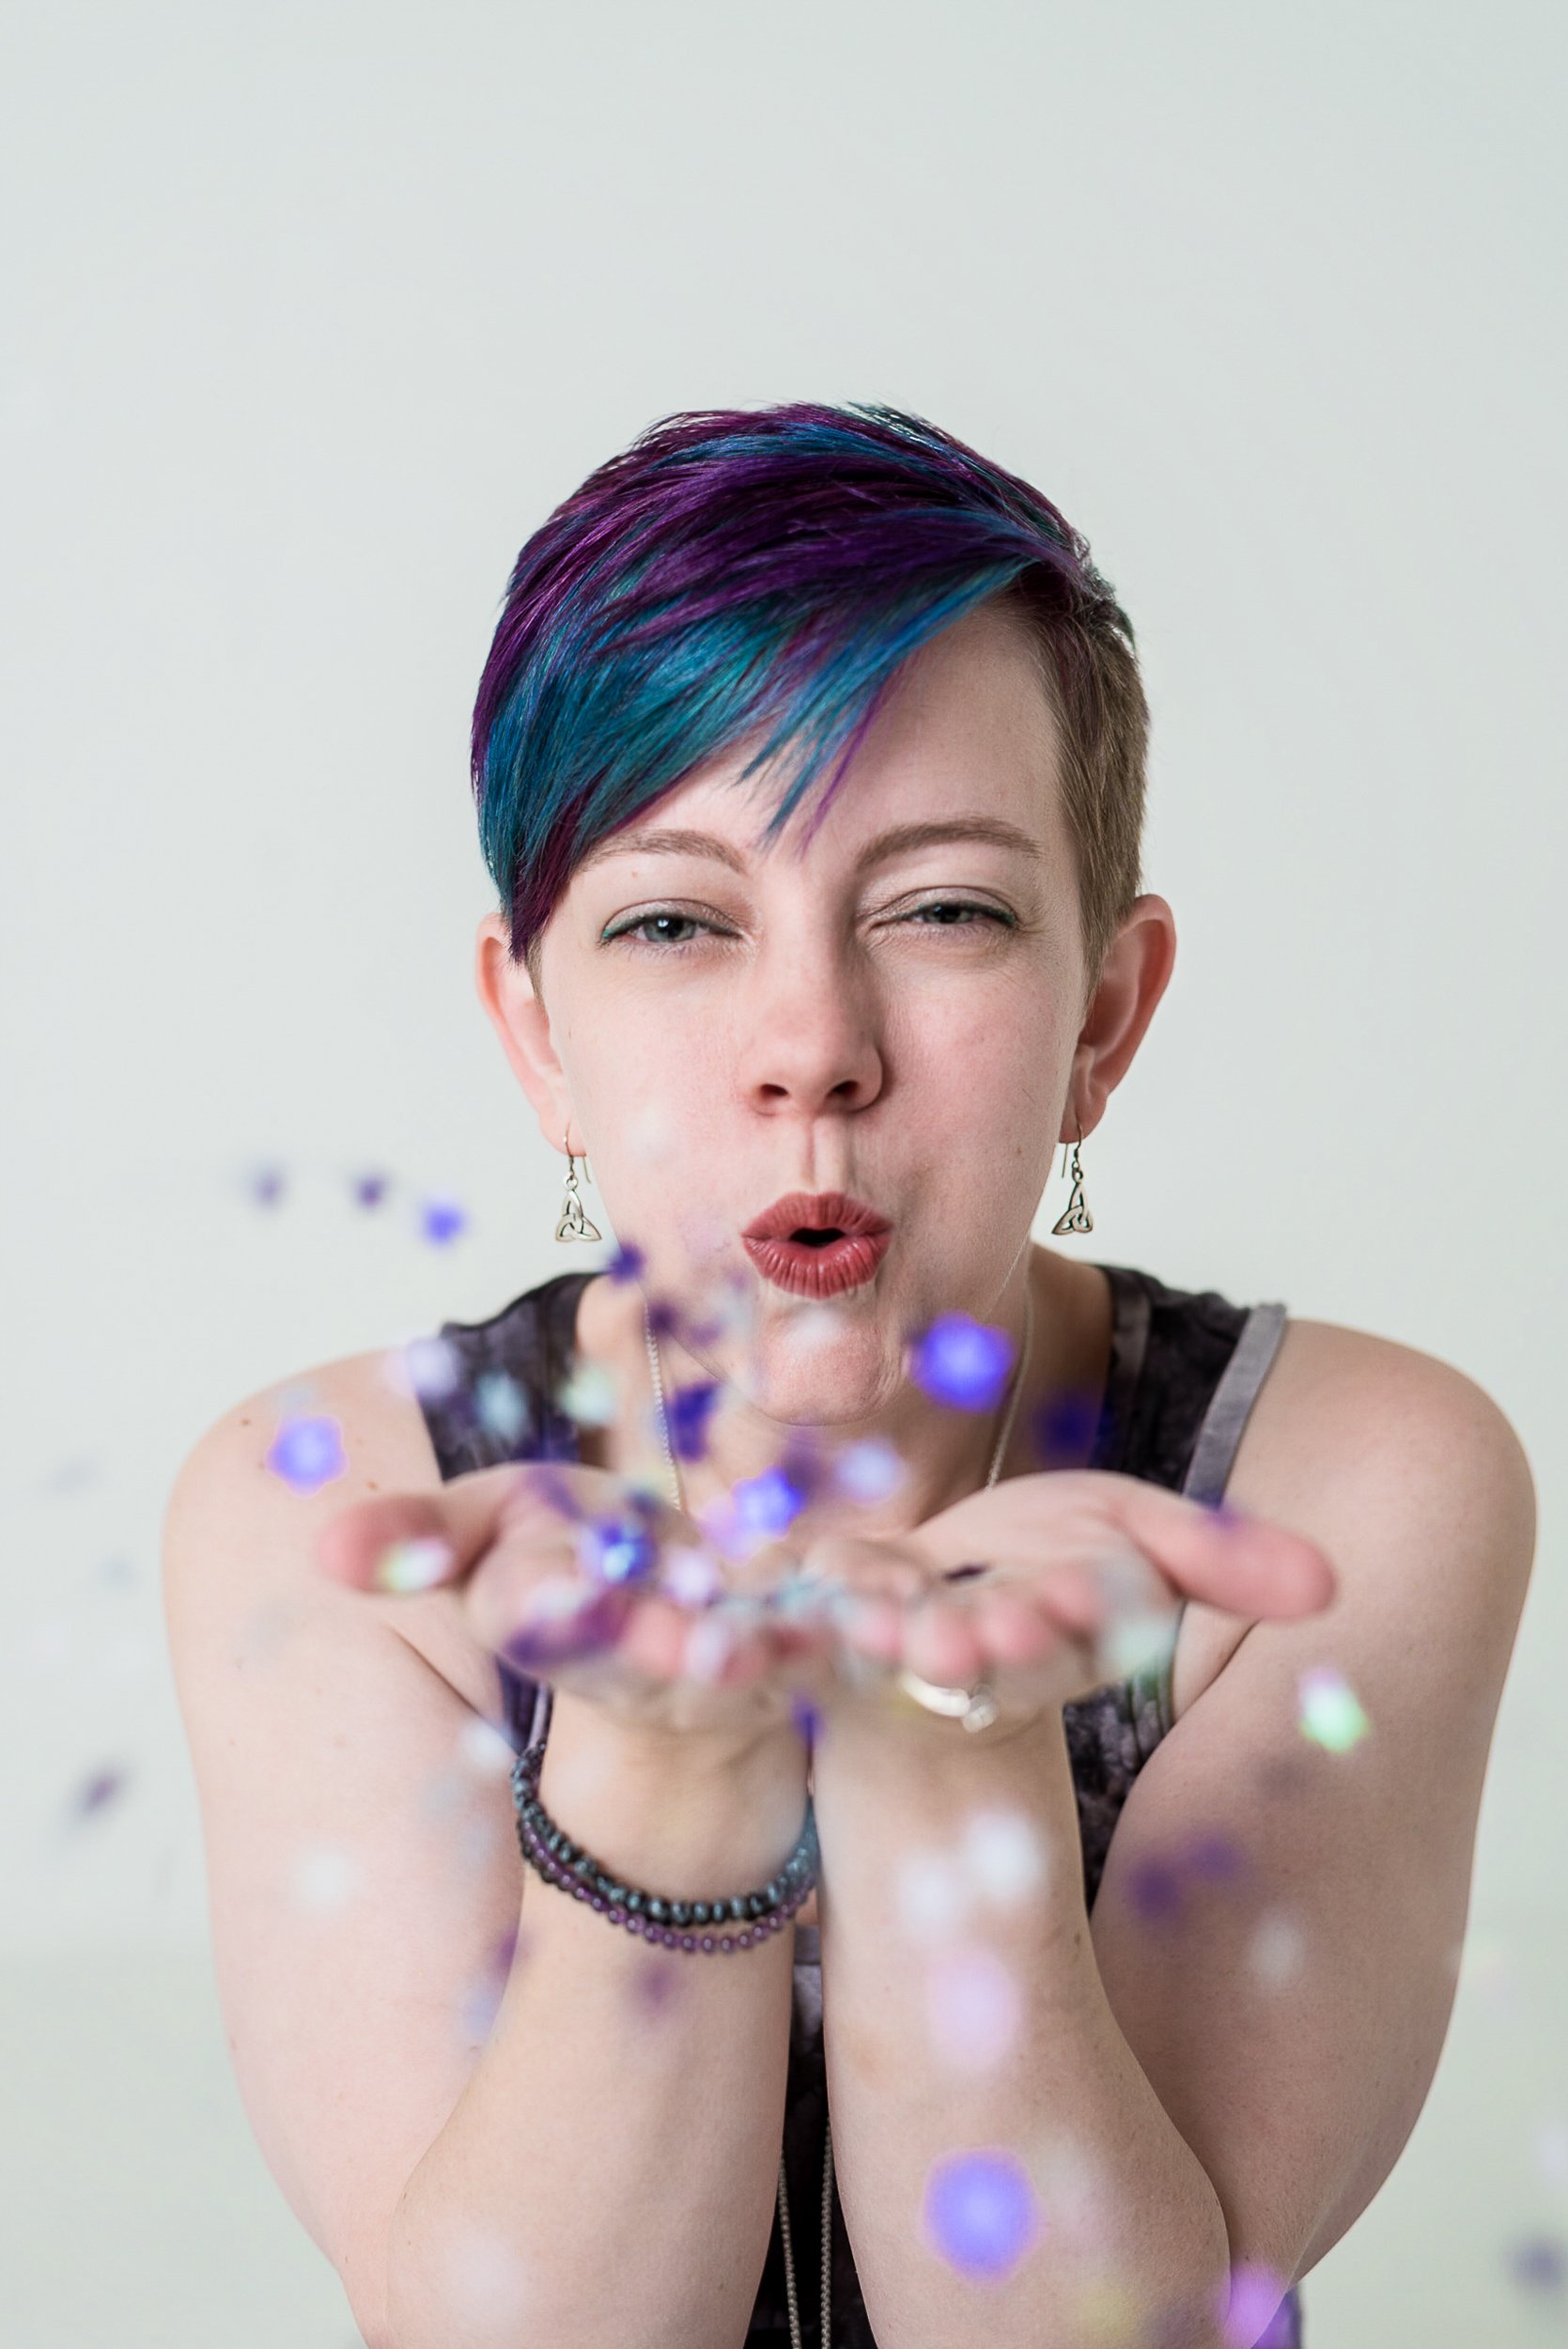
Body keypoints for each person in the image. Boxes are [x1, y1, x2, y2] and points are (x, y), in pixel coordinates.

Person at [163, 402, 1536, 2349]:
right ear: (537, 1035)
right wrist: (657, 1768)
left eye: (943, 908)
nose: (810, 1043)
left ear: (1104, 1014)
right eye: (672, 920)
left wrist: (945, 1756)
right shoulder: (340, 1516)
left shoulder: (1336, 1493)